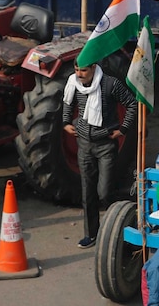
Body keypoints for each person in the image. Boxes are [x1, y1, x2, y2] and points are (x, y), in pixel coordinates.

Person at [62, 62, 137, 249]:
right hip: (84, 145)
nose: (79, 74)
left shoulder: (110, 84)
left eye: (84, 70)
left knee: (104, 192)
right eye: (76, 69)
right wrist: (65, 122)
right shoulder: (73, 83)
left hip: (105, 145)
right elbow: (67, 103)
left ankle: (121, 225)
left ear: (94, 68)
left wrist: (123, 129)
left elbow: (132, 104)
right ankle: (91, 234)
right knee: (87, 192)